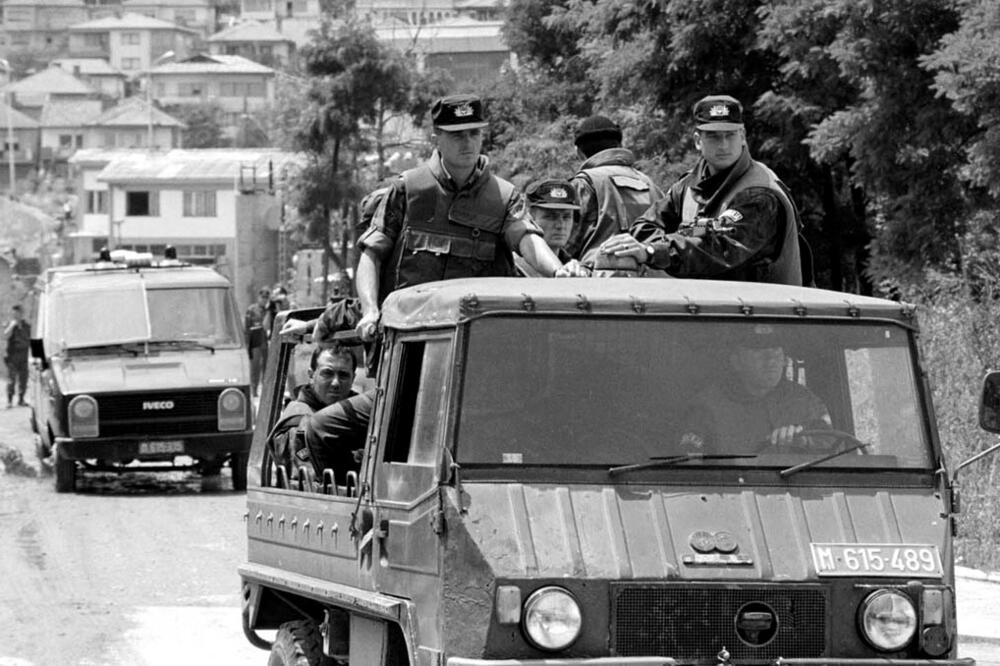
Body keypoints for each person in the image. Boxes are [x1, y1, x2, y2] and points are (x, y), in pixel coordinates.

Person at [353, 93, 584, 342]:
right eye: (457, 135)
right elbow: (371, 255)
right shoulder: (409, 190)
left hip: (479, 340)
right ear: (436, 139)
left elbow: (527, 238)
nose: (468, 142)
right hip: (410, 339)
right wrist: (370, 311)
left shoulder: (502, 197)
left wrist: (558, 272)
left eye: (474, 133)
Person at [599, 94, 803, 285]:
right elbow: (644, 226)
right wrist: (679, 238)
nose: (723, 145)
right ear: (698, 141)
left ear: (742, 136)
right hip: (705, 305)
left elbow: (721, 249)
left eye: (730, 135)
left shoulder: (759, 192)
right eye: (713, 136)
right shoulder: (688, 186)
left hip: (764, 308)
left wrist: (653, 251)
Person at [678, 324, 831, 454]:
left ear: (785, 359)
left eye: (776, 350)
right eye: (759, 352)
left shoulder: (804, 401)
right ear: (737, 362)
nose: (770, 360)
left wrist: (804, 441)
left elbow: (835, 448)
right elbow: (690, 466)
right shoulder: (707, 408)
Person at [567, 115, 663, 272]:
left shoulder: (584, 183)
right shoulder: (650, 184)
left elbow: (566, 242)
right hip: (653, 280)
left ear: (578, 152)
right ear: (619, 145)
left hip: (600, 279)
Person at [269, 345, 357, 474]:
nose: (336, 383)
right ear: (311, 375)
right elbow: (307, 477)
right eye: (327, 373)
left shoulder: (359, 412)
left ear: (353, 378)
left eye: (343, 375)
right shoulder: (299, 420)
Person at [514, 178, 580, 277]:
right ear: (530, 218)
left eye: (566, 217)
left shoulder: (573, 267)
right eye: (551, 217)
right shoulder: (511, 267)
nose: (560, 225)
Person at [244, 288, 270, 397]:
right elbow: (246, 328)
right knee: (255, 366)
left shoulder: (268, 310)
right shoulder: (252, 310)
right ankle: (254, 389)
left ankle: (265, 390)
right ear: (259, 297)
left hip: (265, 341)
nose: (264, 300)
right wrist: (247, 344)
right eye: (262, 297)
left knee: (266, 367)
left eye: (266, 298)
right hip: (254, 341)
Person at [4, 304, 30, 408]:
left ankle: (21, 399)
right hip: (12, 356)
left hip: (24, 356)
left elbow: (30, 339)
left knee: (23, 379)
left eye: (18, 313)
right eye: (14, 313)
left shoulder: (26, 326)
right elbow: (5, 335)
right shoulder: (10, 325)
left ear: (21, 314)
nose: (15, 315)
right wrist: (12, 325)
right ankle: (10, 401)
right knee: (11, 379)